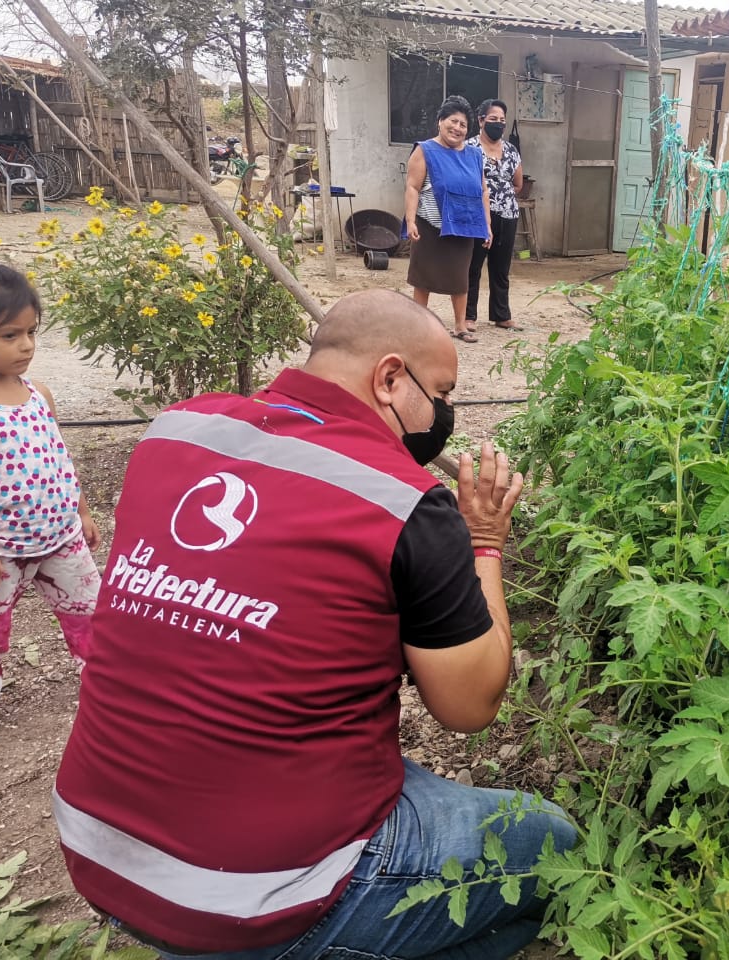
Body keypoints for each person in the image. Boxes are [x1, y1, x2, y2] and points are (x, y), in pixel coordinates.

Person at [54, 289, 576, 959]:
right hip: (255, 898)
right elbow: (468, 707)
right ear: (390, 378)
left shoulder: (175, 430)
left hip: (97, 847)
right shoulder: (403, 501)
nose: (444, 413)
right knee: (551, 843)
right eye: (442, 393)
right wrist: (483, 543)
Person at [0, 262, 100, 756]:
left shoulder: (39, 395)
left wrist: (81, 512)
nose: (26, 345)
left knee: (91, 614)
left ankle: (105, 681)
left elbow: (59, 457)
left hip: (62, 537)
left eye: (31, 332)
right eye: (9, 335)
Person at [406, 95, 492, 343]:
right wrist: (410, 220)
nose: (457, 128)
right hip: (429, 224)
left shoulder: (474, 155)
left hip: (464, 224)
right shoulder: (425, 150)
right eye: (453, 121)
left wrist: (487, 225)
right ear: (440, 121)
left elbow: (483, 191)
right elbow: (412, 187)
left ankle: (460, 326)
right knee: (423, 277)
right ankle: (418, 326)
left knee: (460, 278)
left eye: (463, 125)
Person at [466, 99, 524, 332]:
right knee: (472, 266)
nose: (498, 124)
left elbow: (518, 184)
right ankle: (468, 315)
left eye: (502, 120)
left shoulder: (511, 150)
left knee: (501, 267)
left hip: (508, 214)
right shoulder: (469, 147)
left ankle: (501, 315)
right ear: (481, 120)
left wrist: (501, 198)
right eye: (493, 119)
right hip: (478, 216)